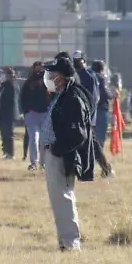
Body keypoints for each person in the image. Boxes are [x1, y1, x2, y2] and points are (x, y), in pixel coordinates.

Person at [39, 57, 92, 251]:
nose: (49, 78)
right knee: (58, 200)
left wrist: (57, 149)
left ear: (61, 78)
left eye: (52, 75)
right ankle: (64, 241)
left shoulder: (72, 99)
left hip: (62, 156)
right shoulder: (61, 96)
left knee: (64, 199)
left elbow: (78, 134)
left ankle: (71, 243)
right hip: (53, 154)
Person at [73, 53, 113, 178]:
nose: (77, 63)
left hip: (85, 117)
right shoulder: (81, 76)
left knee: (92, 145)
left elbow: (93, 98)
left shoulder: (89, 77)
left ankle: (105, 169)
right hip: (80, 117)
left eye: (79, 61)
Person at [19, 61, 50, 170]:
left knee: (44, 139)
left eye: (40, 68)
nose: (39, 71)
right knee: (34, 138)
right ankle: (33, 162)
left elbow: (51, 96)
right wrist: (25, 111)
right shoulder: (29, 83)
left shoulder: (47, 82)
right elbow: (23, 98)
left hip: (44, 113)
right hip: (32, 114)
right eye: (37, 68)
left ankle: (43, 162)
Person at [0, 67, 18, 159]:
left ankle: (10, 153)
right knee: (3, 133)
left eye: (4, 74)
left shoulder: (12, 86)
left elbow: (11, 101)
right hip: (1, 113)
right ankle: (5, 151)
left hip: (8, 113)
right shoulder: (3, 85)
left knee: (9, 134)